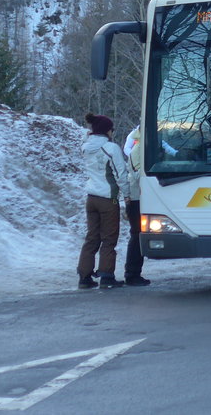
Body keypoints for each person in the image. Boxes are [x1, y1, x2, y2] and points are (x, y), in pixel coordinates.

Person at [77, 114, 129, 290]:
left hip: (91, 197)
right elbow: (120, 174)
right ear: (107, 130)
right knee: (108, 238)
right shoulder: (111, 148)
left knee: (92, 237)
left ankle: (84, 277)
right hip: (108, 199)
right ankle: (106, 276)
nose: (112, 132)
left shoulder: (85, 147)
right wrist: (127, 195)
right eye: (111, 129)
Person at [121, 124, 150, 287]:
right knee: (137, 235)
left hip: (138, 197)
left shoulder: (141, 148)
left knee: (137, 235)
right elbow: (138, 174)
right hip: (135, 198)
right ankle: (132, 274)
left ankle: (133, 273)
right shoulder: (137, 150)